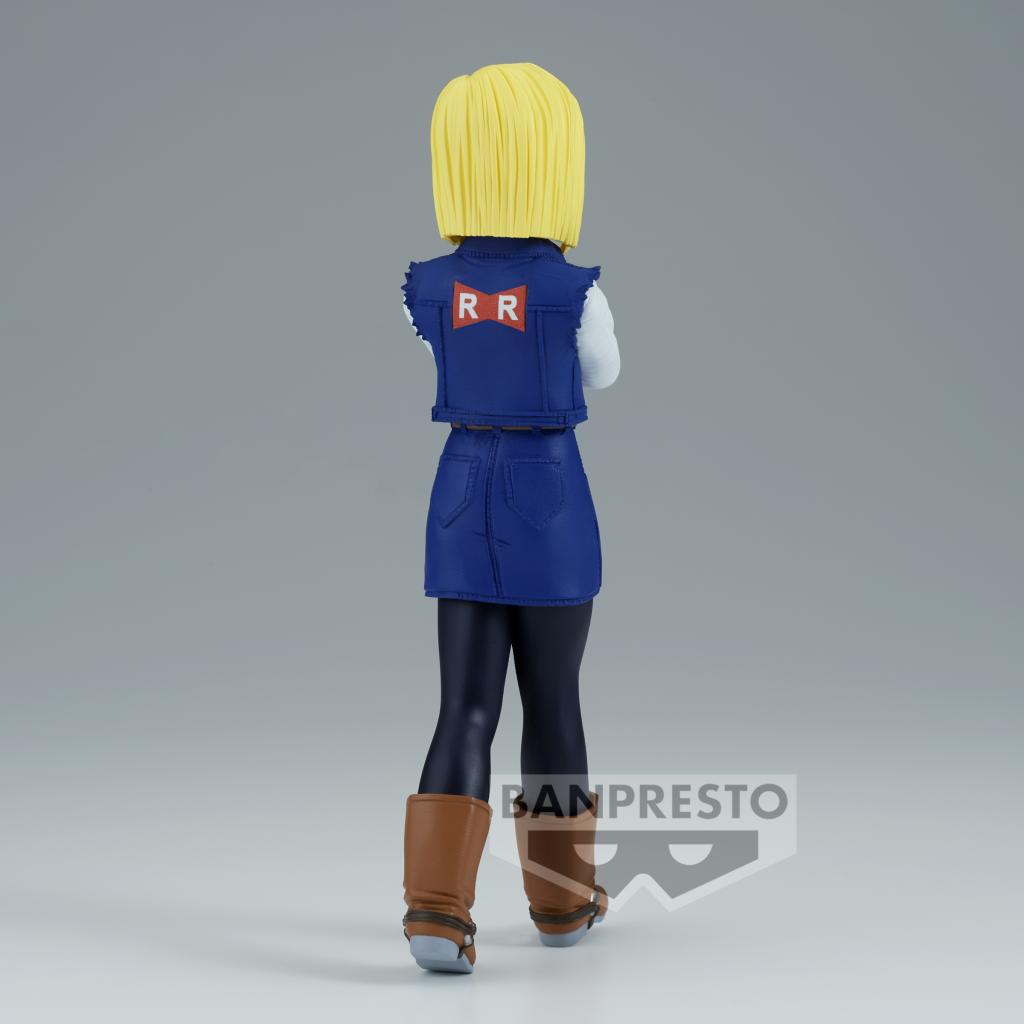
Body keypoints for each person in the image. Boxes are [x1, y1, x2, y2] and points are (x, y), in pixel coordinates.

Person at [400, 63, 620, 974]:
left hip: (460, 487)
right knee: (554, 698)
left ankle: (435, 908)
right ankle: (561, 902)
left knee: (463, 705)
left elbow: (445, 346)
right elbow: (603, 372)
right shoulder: (576, 291)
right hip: (548, 489)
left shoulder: (428, 284)